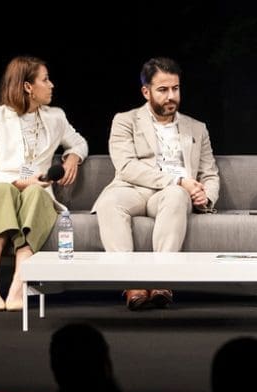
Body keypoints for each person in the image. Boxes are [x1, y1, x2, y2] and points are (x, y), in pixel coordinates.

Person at [93, 57, 220, 311]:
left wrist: (205, 196)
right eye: (162, 90)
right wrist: (179, 180)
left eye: (175, 88)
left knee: (176, 195)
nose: (171, 96)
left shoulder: (197, 128)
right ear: (146, 91)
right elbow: (127, 167)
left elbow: (210, 173)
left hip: (172, 195)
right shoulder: (125, 121)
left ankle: (162, 280)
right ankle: (132, 283)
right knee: (109, 202)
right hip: (132, 189)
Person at [0, 56, 88, 312]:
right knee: (2, 191)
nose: (51, 85)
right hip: (1, 185)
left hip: (37, 189)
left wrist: (73, 157)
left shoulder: (56, 117)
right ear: (28, 87)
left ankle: (19, 283)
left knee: (36, 193)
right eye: (45, 80)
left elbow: (79, 142)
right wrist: (17, 182)